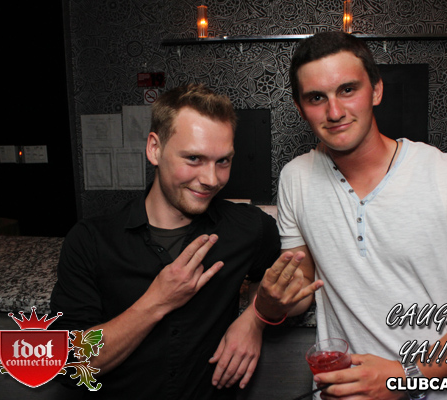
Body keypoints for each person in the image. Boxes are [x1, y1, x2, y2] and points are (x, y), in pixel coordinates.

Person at [253, 32, 447, 399]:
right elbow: (303, 282)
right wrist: (270, 304)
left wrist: (406, 376)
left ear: (376, 90)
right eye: (316, 98)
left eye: (347, 90)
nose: (334, 112)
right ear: (300, 108)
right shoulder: (296, 179)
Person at [49, 84, 281, 400]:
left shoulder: (248, 228)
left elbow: (280, 279)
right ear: (154, 149)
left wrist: (254, 321)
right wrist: (157, 301)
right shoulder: (91, 240)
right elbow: (69, 363)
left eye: (223, 161)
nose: (211, 179)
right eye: (194, 158)